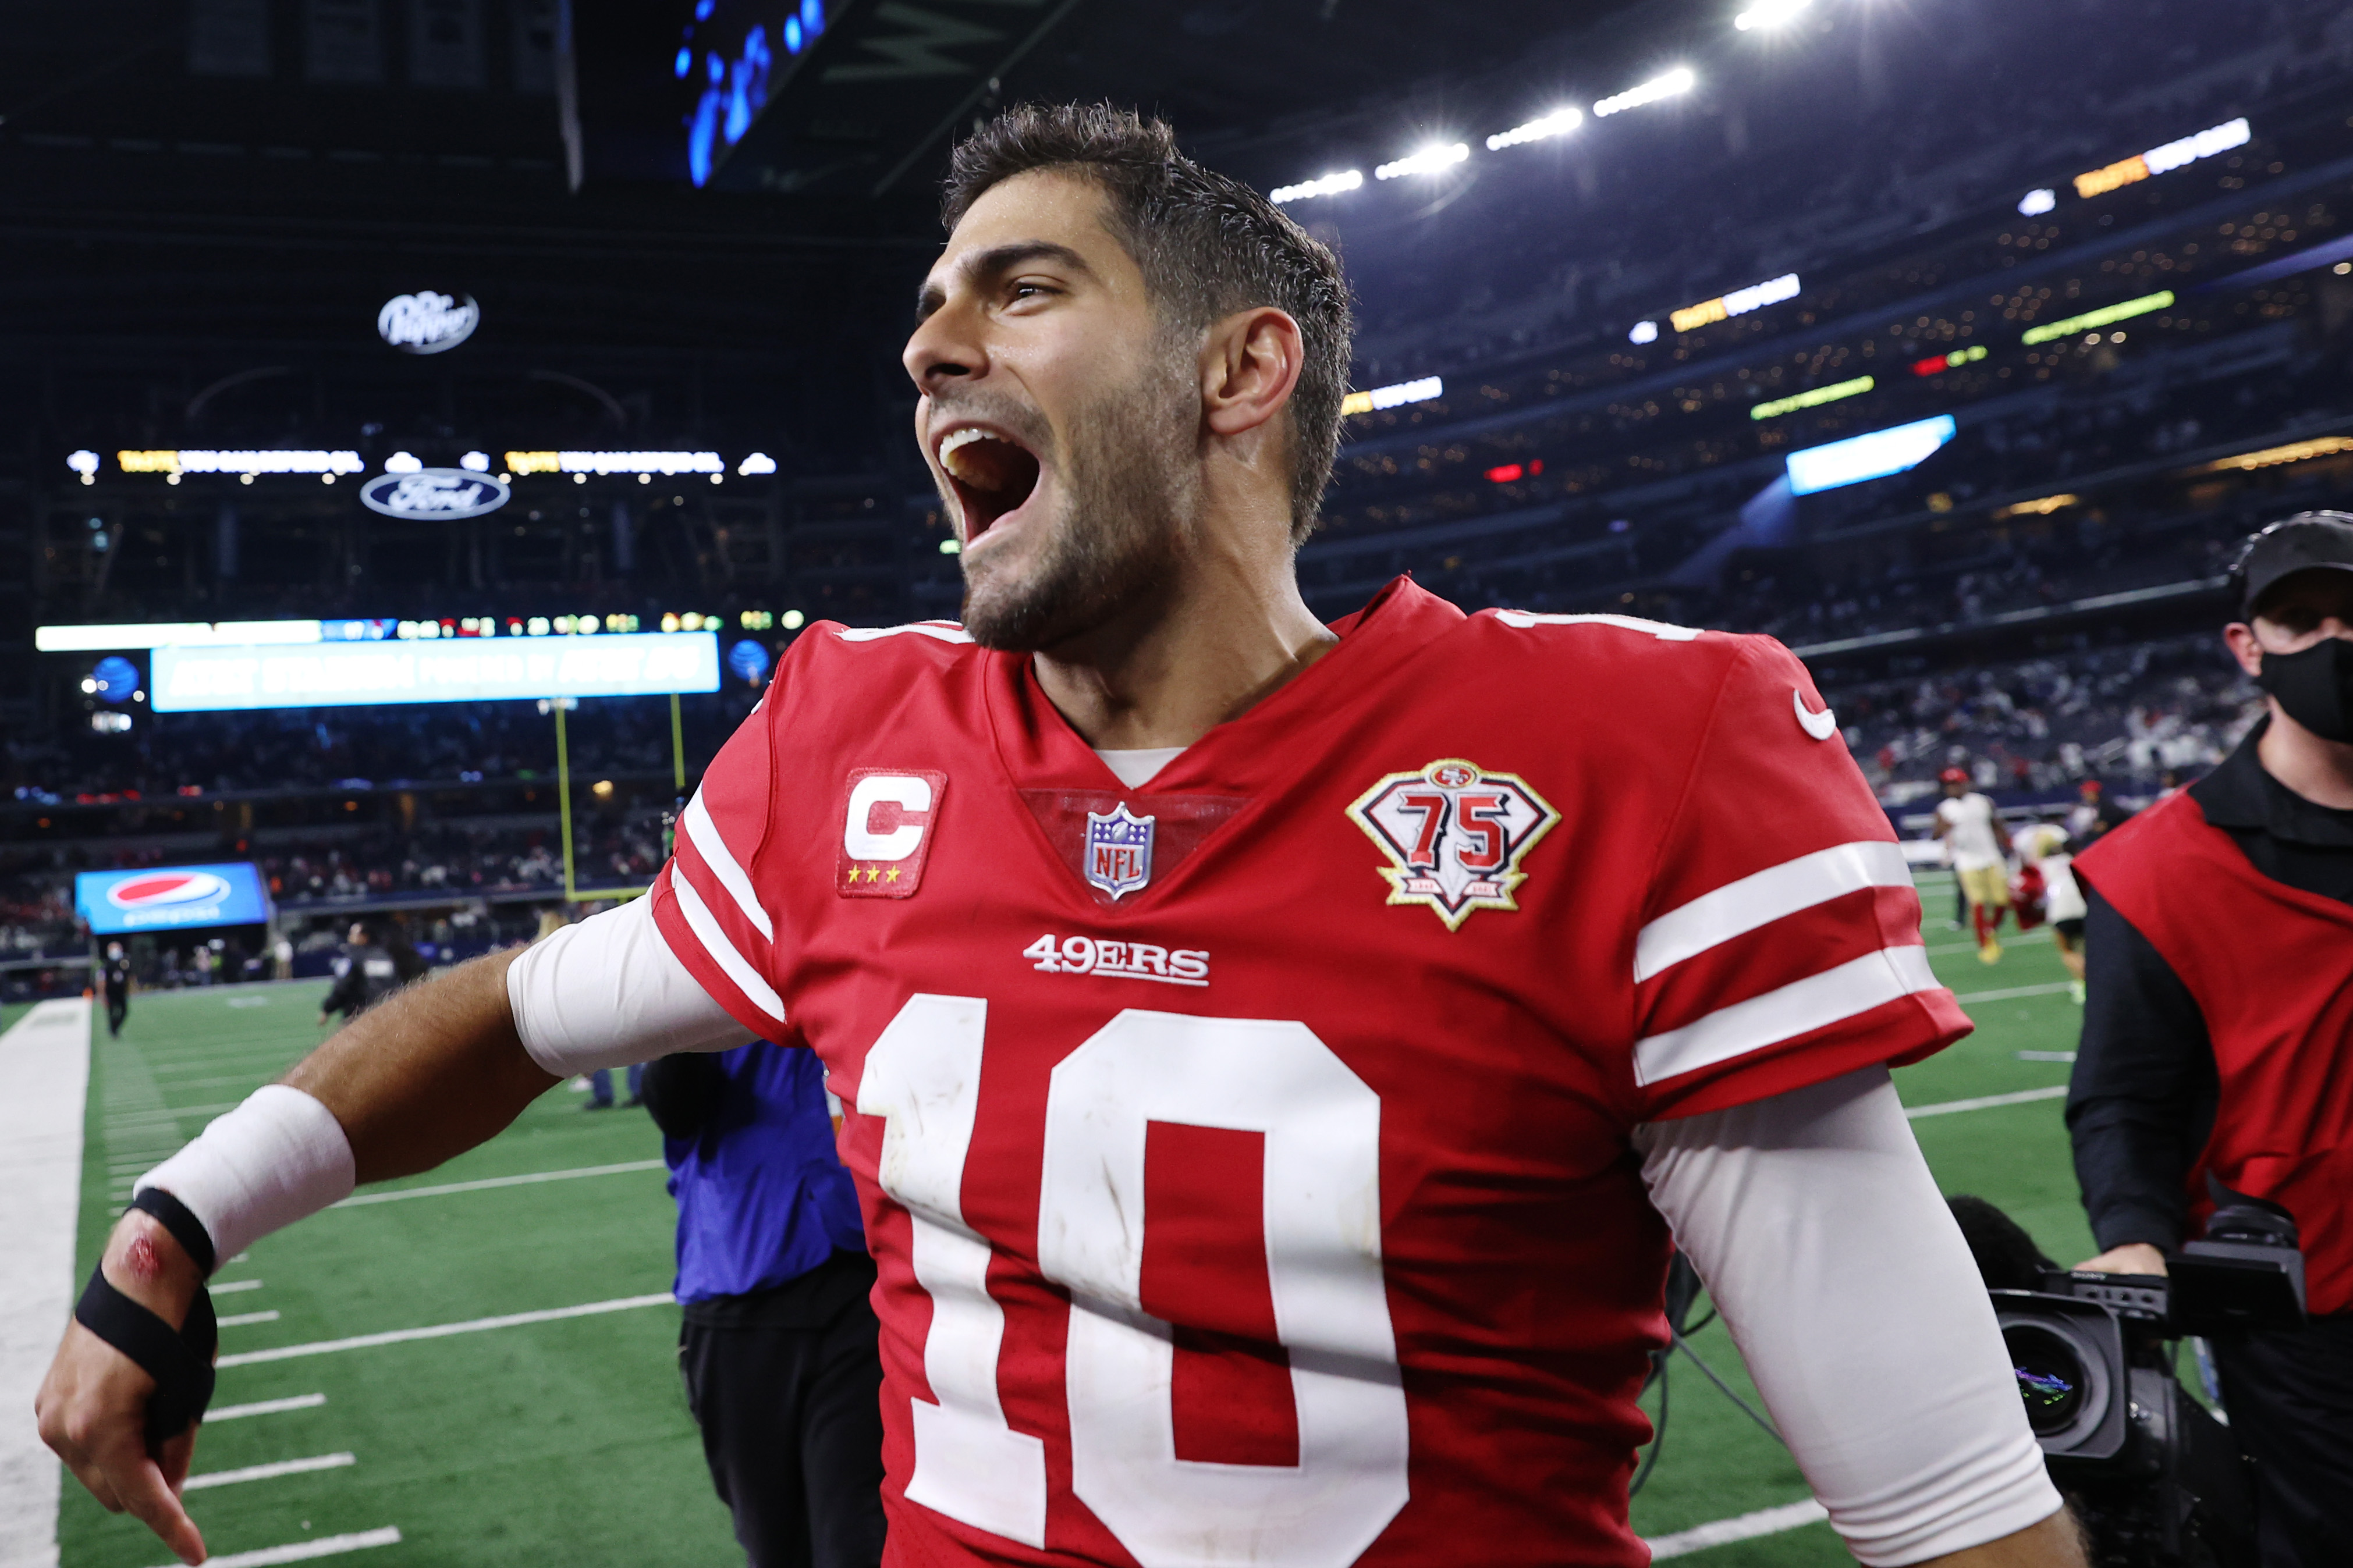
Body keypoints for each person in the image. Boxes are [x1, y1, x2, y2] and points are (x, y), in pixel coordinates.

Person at [39, 106, 2083, 1568]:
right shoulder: (855, 746)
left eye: (1022, 290)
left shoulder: (1622, 752)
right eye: (932, 306)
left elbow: (1943, 1508)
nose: (933, 344)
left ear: (1237, 370)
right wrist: (170, 1230)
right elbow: (520, 1008)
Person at [2068, 512, 2353, 1566]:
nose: (2334, 640)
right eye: (2299, 619)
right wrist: (2134, 1232)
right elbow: (2122, 1097)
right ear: (2247, 647)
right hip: (2305, 1313)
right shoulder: (2159, 872)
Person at [642, 1041, 884, 1568]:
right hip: (741, 1297)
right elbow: (675, 1105)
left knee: (859, 1536)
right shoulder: (711, 983)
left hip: (860, 1288)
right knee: (775, 1545)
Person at [1935, 766, 2013, 963]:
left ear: (1965, 783)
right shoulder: (1945, 809)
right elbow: (1935, 833)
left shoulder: (1982, 802)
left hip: (1991, 856)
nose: (1952, 788)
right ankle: (1985, 945)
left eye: (1956, 784)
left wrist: (2008, 843)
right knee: (1977, 903)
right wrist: (1944, 828)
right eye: (1949, 784)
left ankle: (1991, 929)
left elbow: (1996, 824)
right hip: (1966, 860)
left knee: (2002, 901)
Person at [2011, 823, 2086, 1004]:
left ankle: (2084, 983)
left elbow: (2032, 890)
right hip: (2086, 908)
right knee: (2088, 948)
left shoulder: (2041, 866)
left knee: (2068, 951)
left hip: (2061, 911)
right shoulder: (2075, 860)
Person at [314, 922, 420, 1026]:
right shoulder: (385, 956)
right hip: (389, 1013)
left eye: (353, 934)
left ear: (364, 937)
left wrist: (327, 1009)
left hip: (360, 1016)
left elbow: (343, 986)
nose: (349, 938)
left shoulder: (354, 958)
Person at [98, 941, 133, 1039]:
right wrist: (102, 995)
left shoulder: (124, 962)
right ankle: (113, 1030)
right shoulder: (106, 965)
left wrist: (130, 990)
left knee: (124, 1011)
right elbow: (102, 981)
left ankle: (115, 1028)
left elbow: (129, 978)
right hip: (111, 992)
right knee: (111, 1011)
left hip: (121, 991)